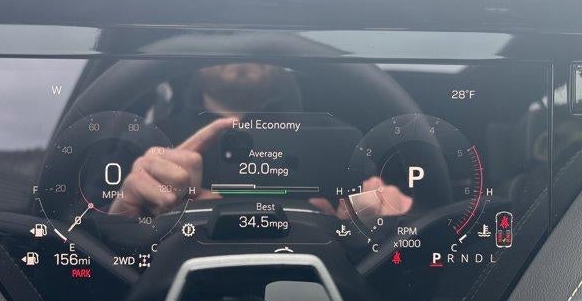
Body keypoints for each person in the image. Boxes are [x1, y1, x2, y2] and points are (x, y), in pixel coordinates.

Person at [111, 63, 412, 222]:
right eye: (222, 30)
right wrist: (125, 212)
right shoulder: (148, 144)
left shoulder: (341, 140)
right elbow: (95, 245)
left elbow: (384, 224)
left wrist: (386, 219)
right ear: (196, 56)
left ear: (282, 57)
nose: (240, 39)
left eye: (254, 27)